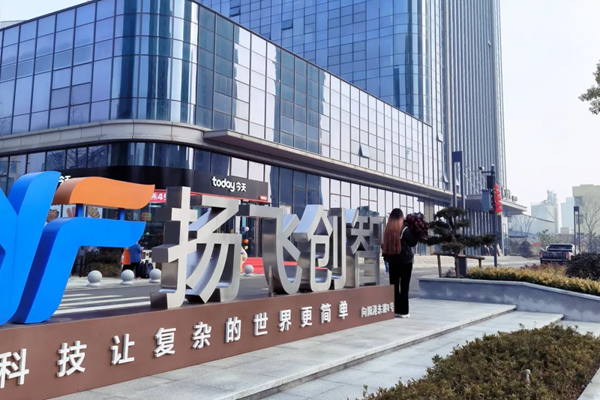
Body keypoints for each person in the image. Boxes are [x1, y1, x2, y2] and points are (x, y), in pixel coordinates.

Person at [382, 208, 418, 318]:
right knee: (404, 286)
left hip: (392, 261)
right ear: (401, 217)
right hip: (405, 261)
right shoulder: (405, 229)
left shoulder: (388, 230)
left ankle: (395, 310)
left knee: (394, 285)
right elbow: (412, 243)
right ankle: (404, 311)